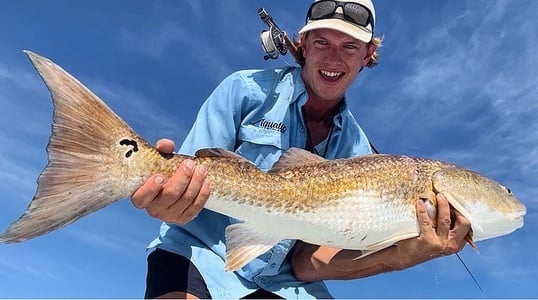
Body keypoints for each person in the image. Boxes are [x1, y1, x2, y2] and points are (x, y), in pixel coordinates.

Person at [131, 0, 472, 298]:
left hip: (286, 283)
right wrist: (171, 200)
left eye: (350, 46)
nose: (333, 56)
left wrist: (405, 254)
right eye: (322, 41)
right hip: (199, 252)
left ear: (368, 55)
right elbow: (185, 183)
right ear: (304, 44)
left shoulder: (359, 150)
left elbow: (307, 264)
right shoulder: (243, 90)